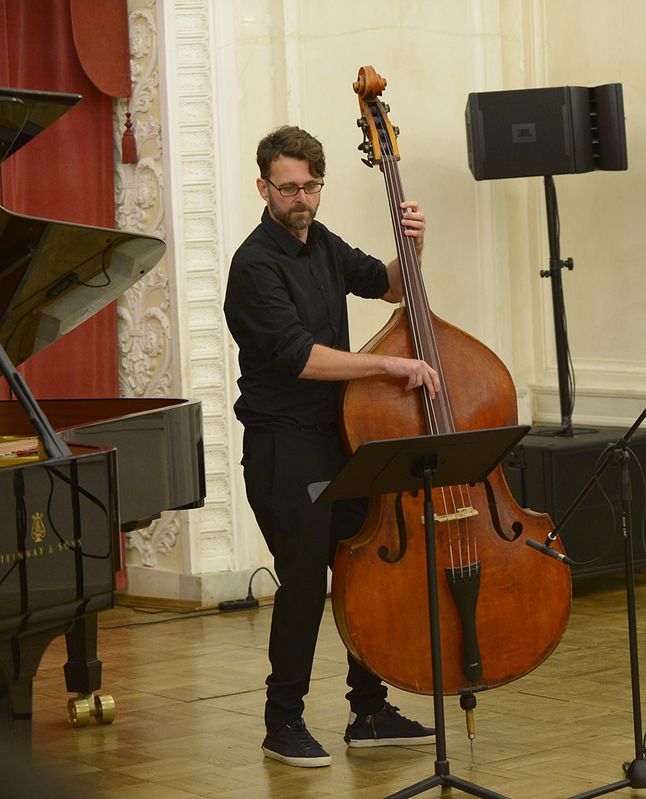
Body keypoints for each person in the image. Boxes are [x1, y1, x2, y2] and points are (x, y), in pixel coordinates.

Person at [224, 125, 441, 767]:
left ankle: (369, 710)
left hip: (340, 439)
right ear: (263, 187)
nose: (302, 199)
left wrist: (414, 246)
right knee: (302, 583)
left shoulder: (323, 242)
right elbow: (300, 358)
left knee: (361, 567)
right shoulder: (253, 265)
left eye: (311, 187)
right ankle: (282, 722)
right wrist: (387, 366)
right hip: (283, 445)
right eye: (289, 188)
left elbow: (392, 285)